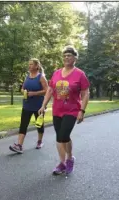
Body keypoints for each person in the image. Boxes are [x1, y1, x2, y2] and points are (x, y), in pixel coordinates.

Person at [38, 46, 90, 175]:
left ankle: (70, 158)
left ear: (75, 58)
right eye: (65, 56)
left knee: (63, 136)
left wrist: (82, 111)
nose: (67, 58)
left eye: (70, 56)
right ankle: (62, 163)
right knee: (59, 137)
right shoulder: (56, 73)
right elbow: (50, 90)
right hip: (57, 110)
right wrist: (43, 105)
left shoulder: (80, 74)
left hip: (72, 110)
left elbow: (85, 93)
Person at [9, 58, 48, 153]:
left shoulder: (41, 77)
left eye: (31, 64)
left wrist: (34, 93)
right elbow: (22, 88)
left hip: (39, 105)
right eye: (29, 64)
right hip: (27, 105)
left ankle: (39, 141)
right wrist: (24, 91)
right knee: (23, 125)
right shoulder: (27, 77)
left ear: (36, 66)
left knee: (39, 124)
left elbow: (47, 91)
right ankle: (19, 145)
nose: (29, 66)